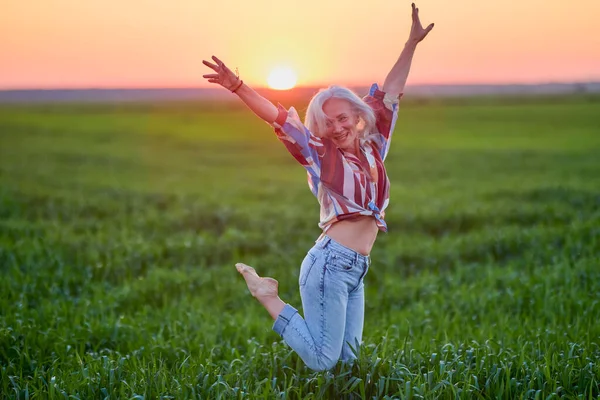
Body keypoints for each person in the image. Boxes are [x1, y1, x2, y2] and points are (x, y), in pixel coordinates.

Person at [202, 3, 433, 371]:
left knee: (348, 363)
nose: (337, 127)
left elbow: (391, 91)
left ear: (357, 116)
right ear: (320, 129)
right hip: (328, 264)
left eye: (343, 118)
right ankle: (267, 295)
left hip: (357, 266)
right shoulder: (320, 155)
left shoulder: (375, 146)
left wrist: (411, 42)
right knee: (324, 361)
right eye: (328, 123)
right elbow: (278, 117)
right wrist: (238, 86)